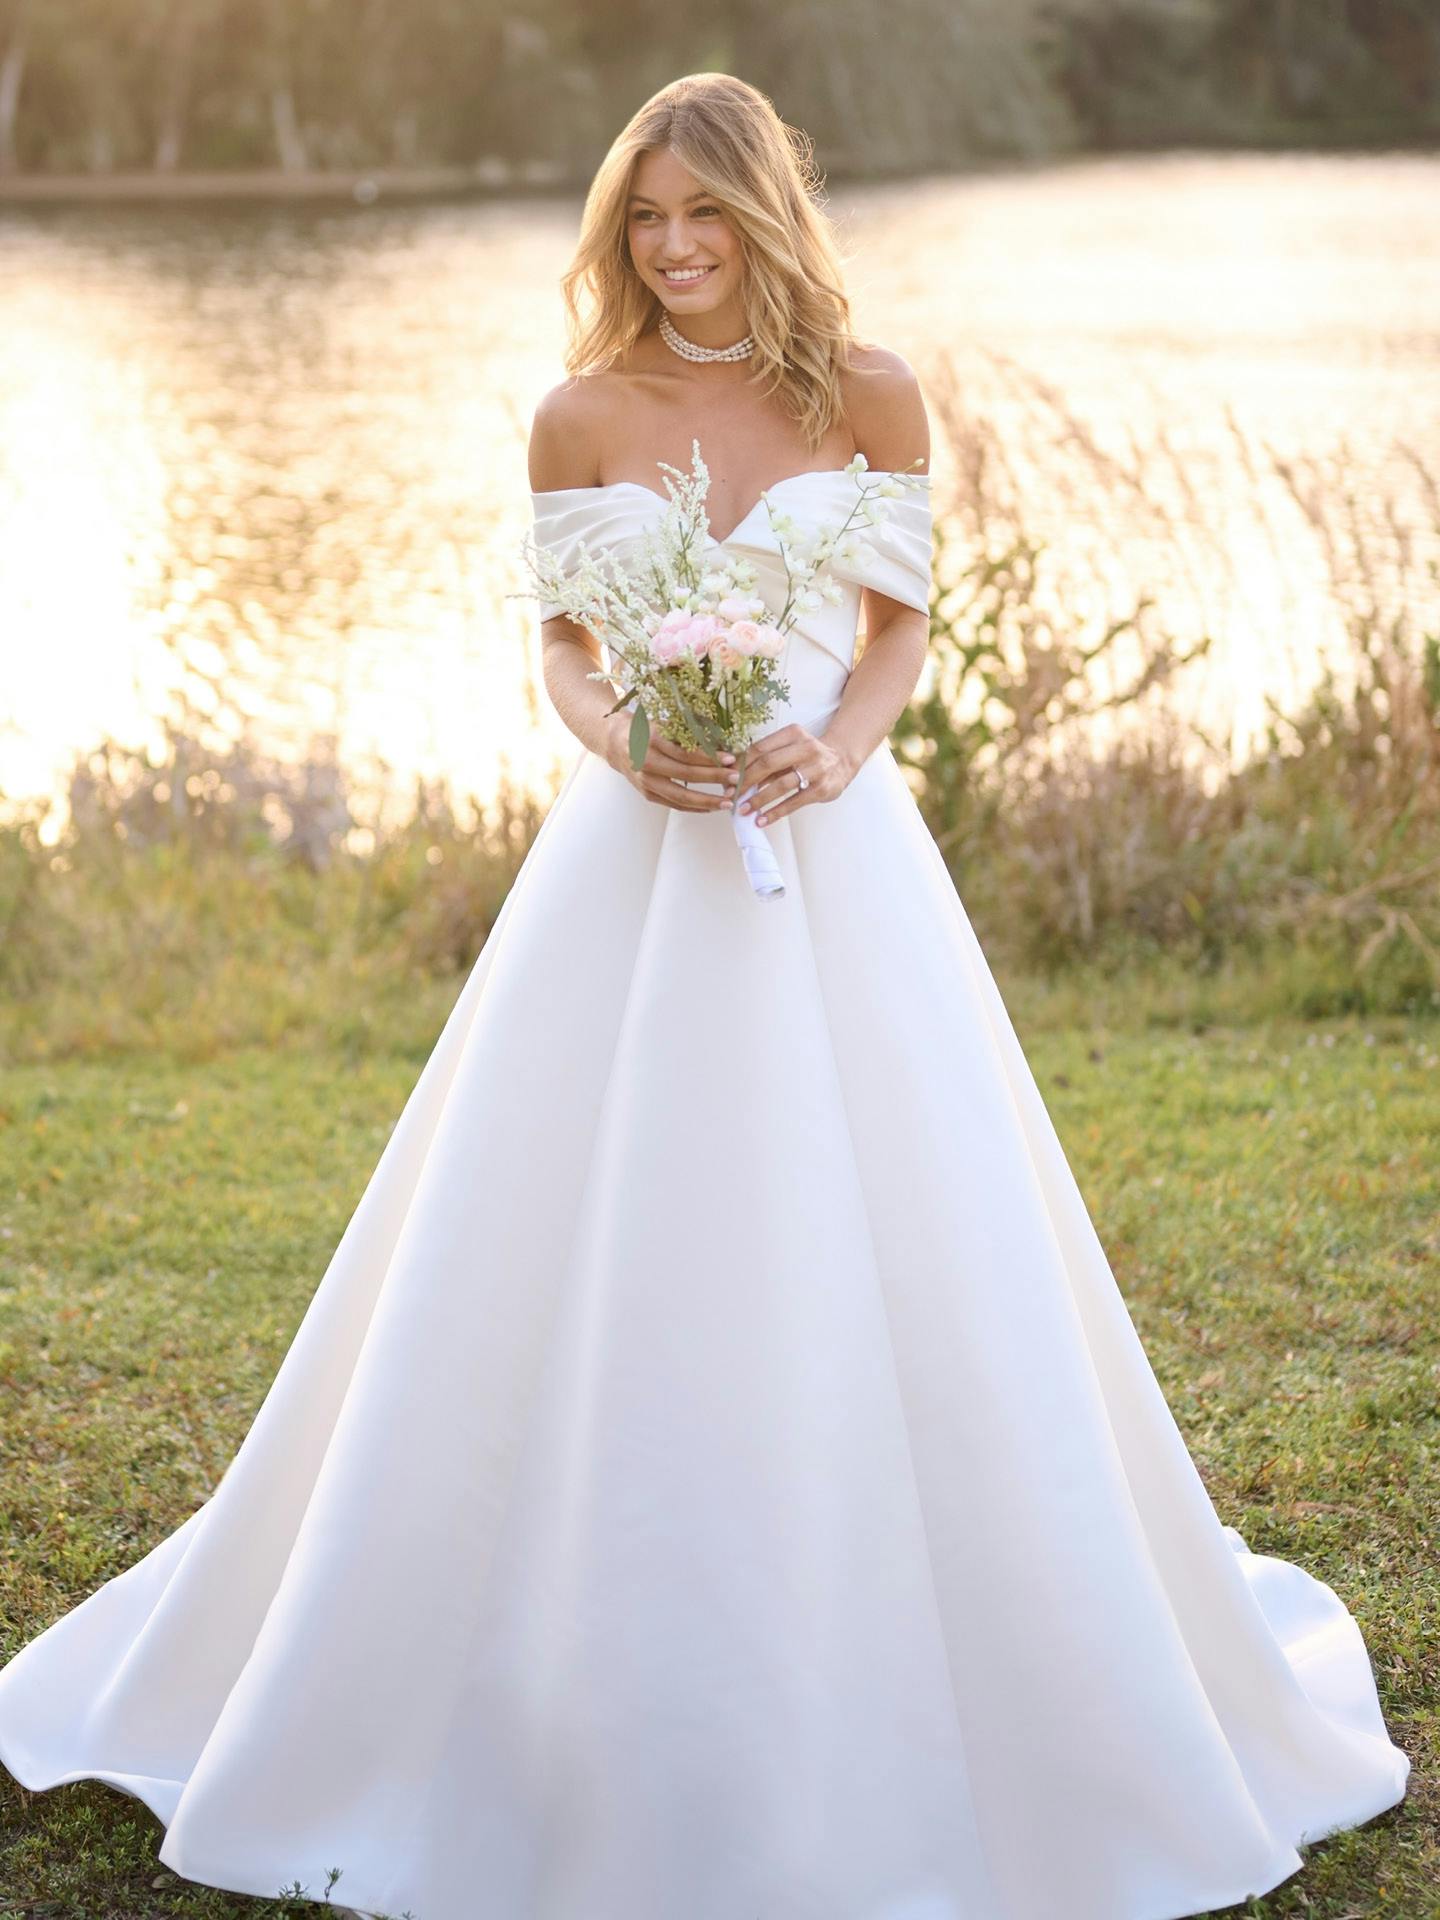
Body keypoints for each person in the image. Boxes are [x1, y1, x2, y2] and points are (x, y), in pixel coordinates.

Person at [0, 70, 1409, 1920]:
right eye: (643, 220)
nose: (671, 251)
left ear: (766, 219)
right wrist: (628, 745)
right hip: (640, 858)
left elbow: (899, 627)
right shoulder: (578, 414)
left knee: (911, 1222)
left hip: (839, 849)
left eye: (704, 217)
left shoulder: (872, 395)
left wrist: (838, 745)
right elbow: (569, 657)